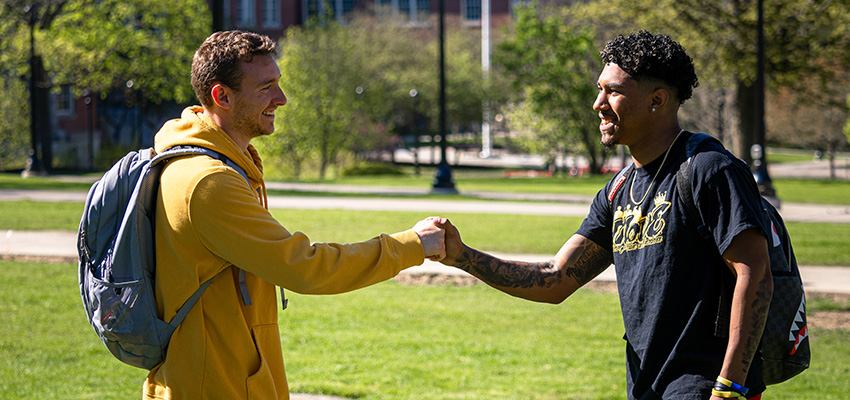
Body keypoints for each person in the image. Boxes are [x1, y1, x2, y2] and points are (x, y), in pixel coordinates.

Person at [439, 31, 773, 400]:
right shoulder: (618, 190)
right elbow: (556, 279)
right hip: (646, 387)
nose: (598, 103)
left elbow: (754, 273)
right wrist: (461, 255)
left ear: (657, 100)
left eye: (612, 91)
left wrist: (730, 387)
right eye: (599, 89)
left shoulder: (709, 170)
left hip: (705, 386)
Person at [143, 30, 446, 399]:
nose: (281, 99)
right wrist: (413, 245)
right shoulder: (208, 182)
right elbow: (305, 267)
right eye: (266, 87)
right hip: (216, 385)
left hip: (218, 376)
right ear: (222, 96)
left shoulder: (205, 163)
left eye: (279, 84)